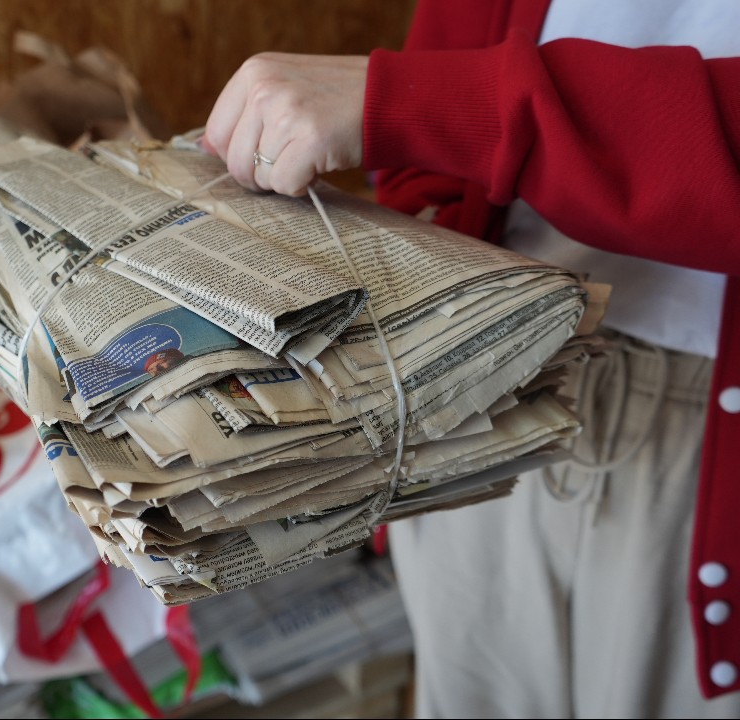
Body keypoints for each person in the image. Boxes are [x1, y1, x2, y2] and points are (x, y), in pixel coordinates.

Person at [202, 0, 740, 716]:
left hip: (703, 434)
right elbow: (455, 47)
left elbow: (441, 93)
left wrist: (436, 105)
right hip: (490, 368)